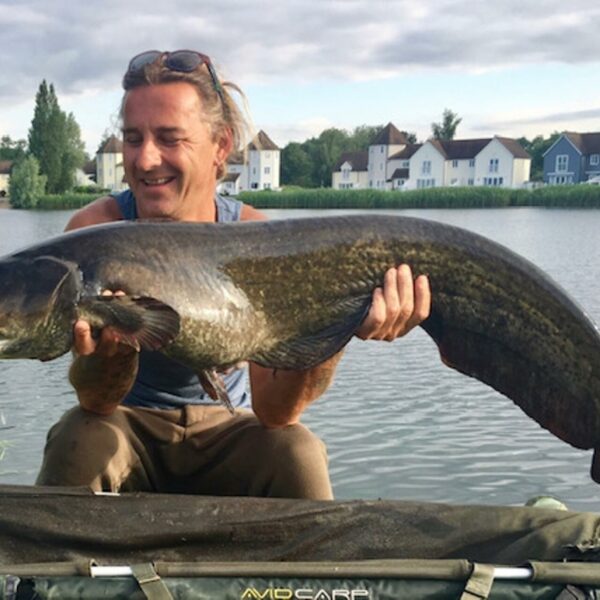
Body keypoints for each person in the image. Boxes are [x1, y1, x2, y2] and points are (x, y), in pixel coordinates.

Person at [36, 50, 431, 499]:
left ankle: (314, 572)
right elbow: (96, 402)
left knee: (296, 450)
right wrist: (110, 355)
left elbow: (277, 412)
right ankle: (52, 572)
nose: (144, 160)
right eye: (132, 138)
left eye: (169, 138)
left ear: (220, 146)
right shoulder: (93, 234)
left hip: (230, 428)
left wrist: (334, 327)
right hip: (126, 425)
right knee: (79, 434)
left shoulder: (257, 238)